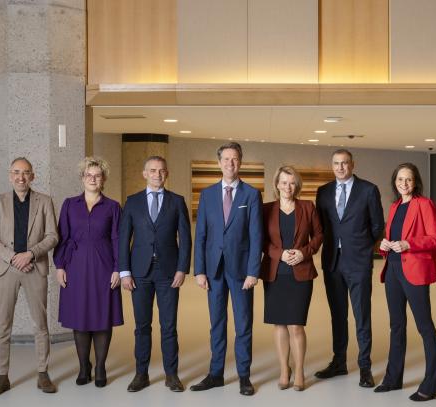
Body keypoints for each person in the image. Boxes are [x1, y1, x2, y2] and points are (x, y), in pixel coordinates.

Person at [191, 142, 263, 396]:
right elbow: (200, 235)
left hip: (242, 271)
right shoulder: (207, 194)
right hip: (213, 271)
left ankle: (244, 376)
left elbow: (256, 237)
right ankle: (216, 374)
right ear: (219, 162)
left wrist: (254, 271)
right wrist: (199, 270)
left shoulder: (251, 194)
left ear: (240, 162)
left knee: (243, 324)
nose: (230, 163)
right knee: (217, 324)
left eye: (235, 159)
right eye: (226, 159)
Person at [0, 157, 59, 397]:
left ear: (33, 176)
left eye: (26, 172)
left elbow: (52, 236)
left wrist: (30, 254)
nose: (21, 177)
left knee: (41, 324)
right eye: (17, 172)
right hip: (6, 270)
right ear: (10, 175)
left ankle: (42, 373)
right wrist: (12, 257)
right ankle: (2, 375)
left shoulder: (45, 201)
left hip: (34, 268)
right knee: (3, 325)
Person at [118, 156, 192, 393]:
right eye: (152, 170)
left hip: (169, 273)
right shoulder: (132, 202)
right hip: (139, 273)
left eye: (161, 171)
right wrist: (124, 272)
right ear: (144, 174)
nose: (157, 174)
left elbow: (186, 239)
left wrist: (182, 268)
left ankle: (171, 374)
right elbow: (123, 240)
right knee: (142, 326)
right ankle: (141, 374)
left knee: (169, 325)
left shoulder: (177, 201)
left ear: (166, 173)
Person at [315, 149, 384, 388]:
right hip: (332, 262)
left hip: (358, 262)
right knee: (338, 315)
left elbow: (377, 226)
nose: (341, 167)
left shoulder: (368, 190)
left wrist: (363, 248)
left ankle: (365, 366)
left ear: (352, 165)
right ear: (331, 165)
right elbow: (322, 227)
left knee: (361, 315)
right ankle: (339, 362)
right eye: (336, 163)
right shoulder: (322, 192)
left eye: (345, 163)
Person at [375, 163, 436, 402]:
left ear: (416, 183)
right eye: (400, 179)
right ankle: (393, 379)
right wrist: (384, 246)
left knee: (425, 327)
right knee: (396, 326)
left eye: (409, 180)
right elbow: (392, 237)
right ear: (395, 182)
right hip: (393, 269)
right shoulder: (394, 206)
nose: (404, 184)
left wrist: (409, 244)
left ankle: (430, 385)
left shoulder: (424, 204)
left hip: (414, 270)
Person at [53, 157, 123, 388]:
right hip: (75, 265)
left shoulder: (113, 206)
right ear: (82, 178)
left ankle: (101, 366)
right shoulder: (69, 204)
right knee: (79, 318)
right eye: (88, 175)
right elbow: (62, 236)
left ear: (103, 179)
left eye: (97, 175)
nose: (93, 179)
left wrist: (117, 269)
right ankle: (84, 366)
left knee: (102, 319)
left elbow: (118, 239)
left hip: (104, 266)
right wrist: (60, 266)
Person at [260, 166, 323, 391]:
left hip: (301, 273)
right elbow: (261, 240)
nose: (288, 187)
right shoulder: (266, 209)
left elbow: (318, 235)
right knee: (279, 324)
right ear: (277, 184)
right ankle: (283, 369)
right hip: (275, 272)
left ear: (297, 185)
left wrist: (304, 252)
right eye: (284, 182)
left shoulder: (307, 207)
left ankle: (298, 370)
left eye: (292, 182)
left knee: (296, 325)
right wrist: (280, 253)